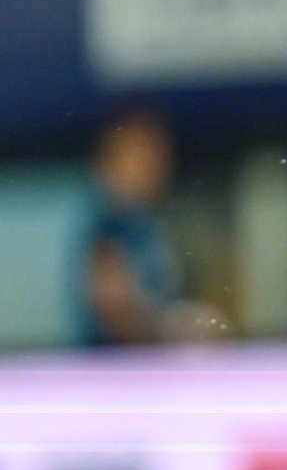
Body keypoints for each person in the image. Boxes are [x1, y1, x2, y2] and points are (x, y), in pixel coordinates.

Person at [79, 109, 223, 347]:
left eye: (157, 153)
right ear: (108, 160)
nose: (151, 164)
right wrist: (174, 329)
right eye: (138, 154)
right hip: (119, 364)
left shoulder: (153, 222)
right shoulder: (108, 227)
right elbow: (114, 314)